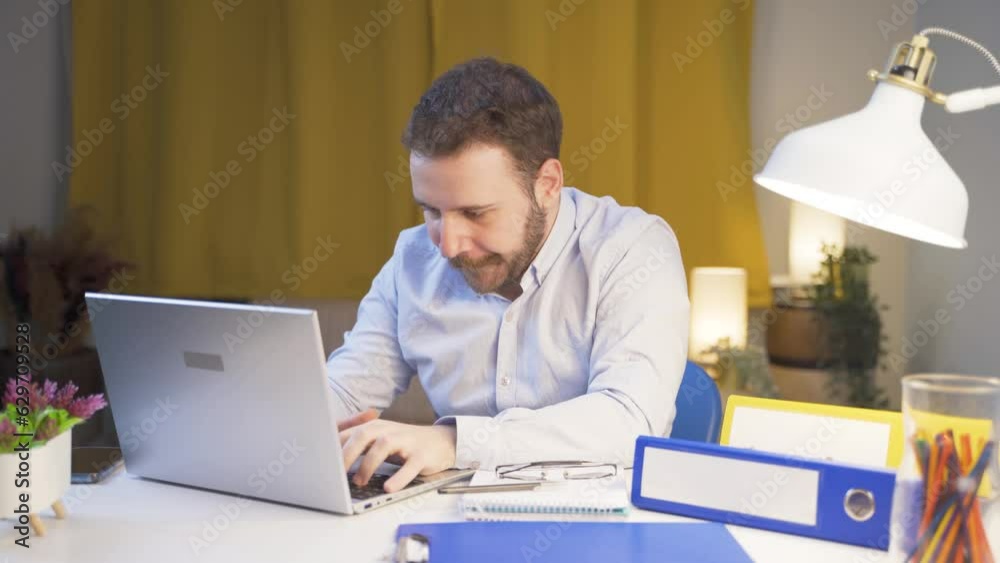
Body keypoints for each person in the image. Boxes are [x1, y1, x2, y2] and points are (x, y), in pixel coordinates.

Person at [329, 57, 689, 494]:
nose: (447, 244)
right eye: (431, 210)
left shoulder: (632, 248)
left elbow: (630, 419)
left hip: (599, 525)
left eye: (474, 213)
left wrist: (456, 441)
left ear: (547, 184)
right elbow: (344, 392)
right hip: (449, 515)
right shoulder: (413, 258)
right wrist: (292, 430)